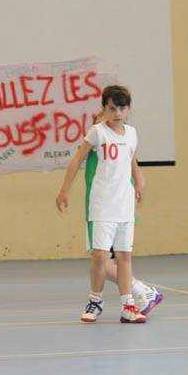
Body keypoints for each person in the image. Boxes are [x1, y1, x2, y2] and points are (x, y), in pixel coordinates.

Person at [56, 85, 147, 323]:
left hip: (124, 204)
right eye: (112, 108)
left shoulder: (132, 133)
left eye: (122, 108)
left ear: (129, 109)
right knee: (99, 256)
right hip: (103, 204)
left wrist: (139, 181)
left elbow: (131, 160)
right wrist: (64, 190)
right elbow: (77, 160)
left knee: (125, 255)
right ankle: (95, 300)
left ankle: (128, 306)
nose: (117, 113)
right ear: (104, 109)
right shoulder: (97, 132)